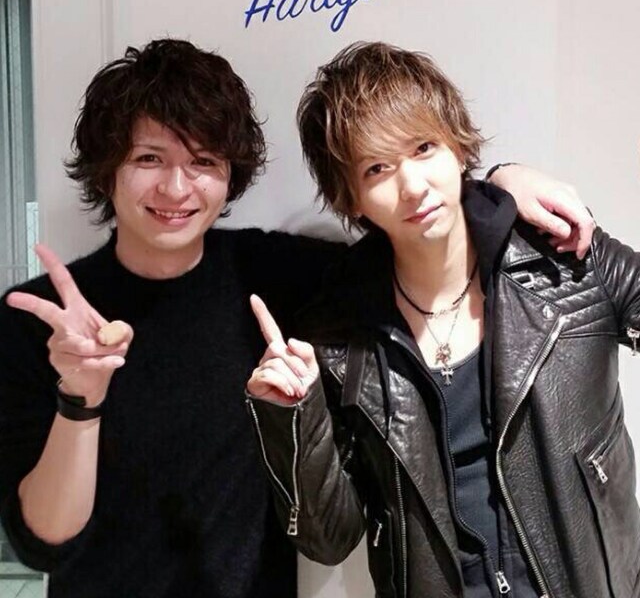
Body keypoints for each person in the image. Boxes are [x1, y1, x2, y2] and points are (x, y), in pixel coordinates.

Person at [0, 38, 591, 598]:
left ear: (230, 173)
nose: (176, 188)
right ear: (107, 168)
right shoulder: (43, 322)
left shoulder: (278, 276)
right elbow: (42, 544)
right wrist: (81, 398)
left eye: (203, 160)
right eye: (149, 158)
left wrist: (499, 185)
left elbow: (417, 233)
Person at [246, 41, 640, 598]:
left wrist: (505, 176)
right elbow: (329, 540)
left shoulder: (567, 262)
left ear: (457, 146)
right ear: (351, 197)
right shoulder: (338, 338)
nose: (412, 186)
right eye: (378, 168)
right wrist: (293, 416)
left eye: (424, 148)